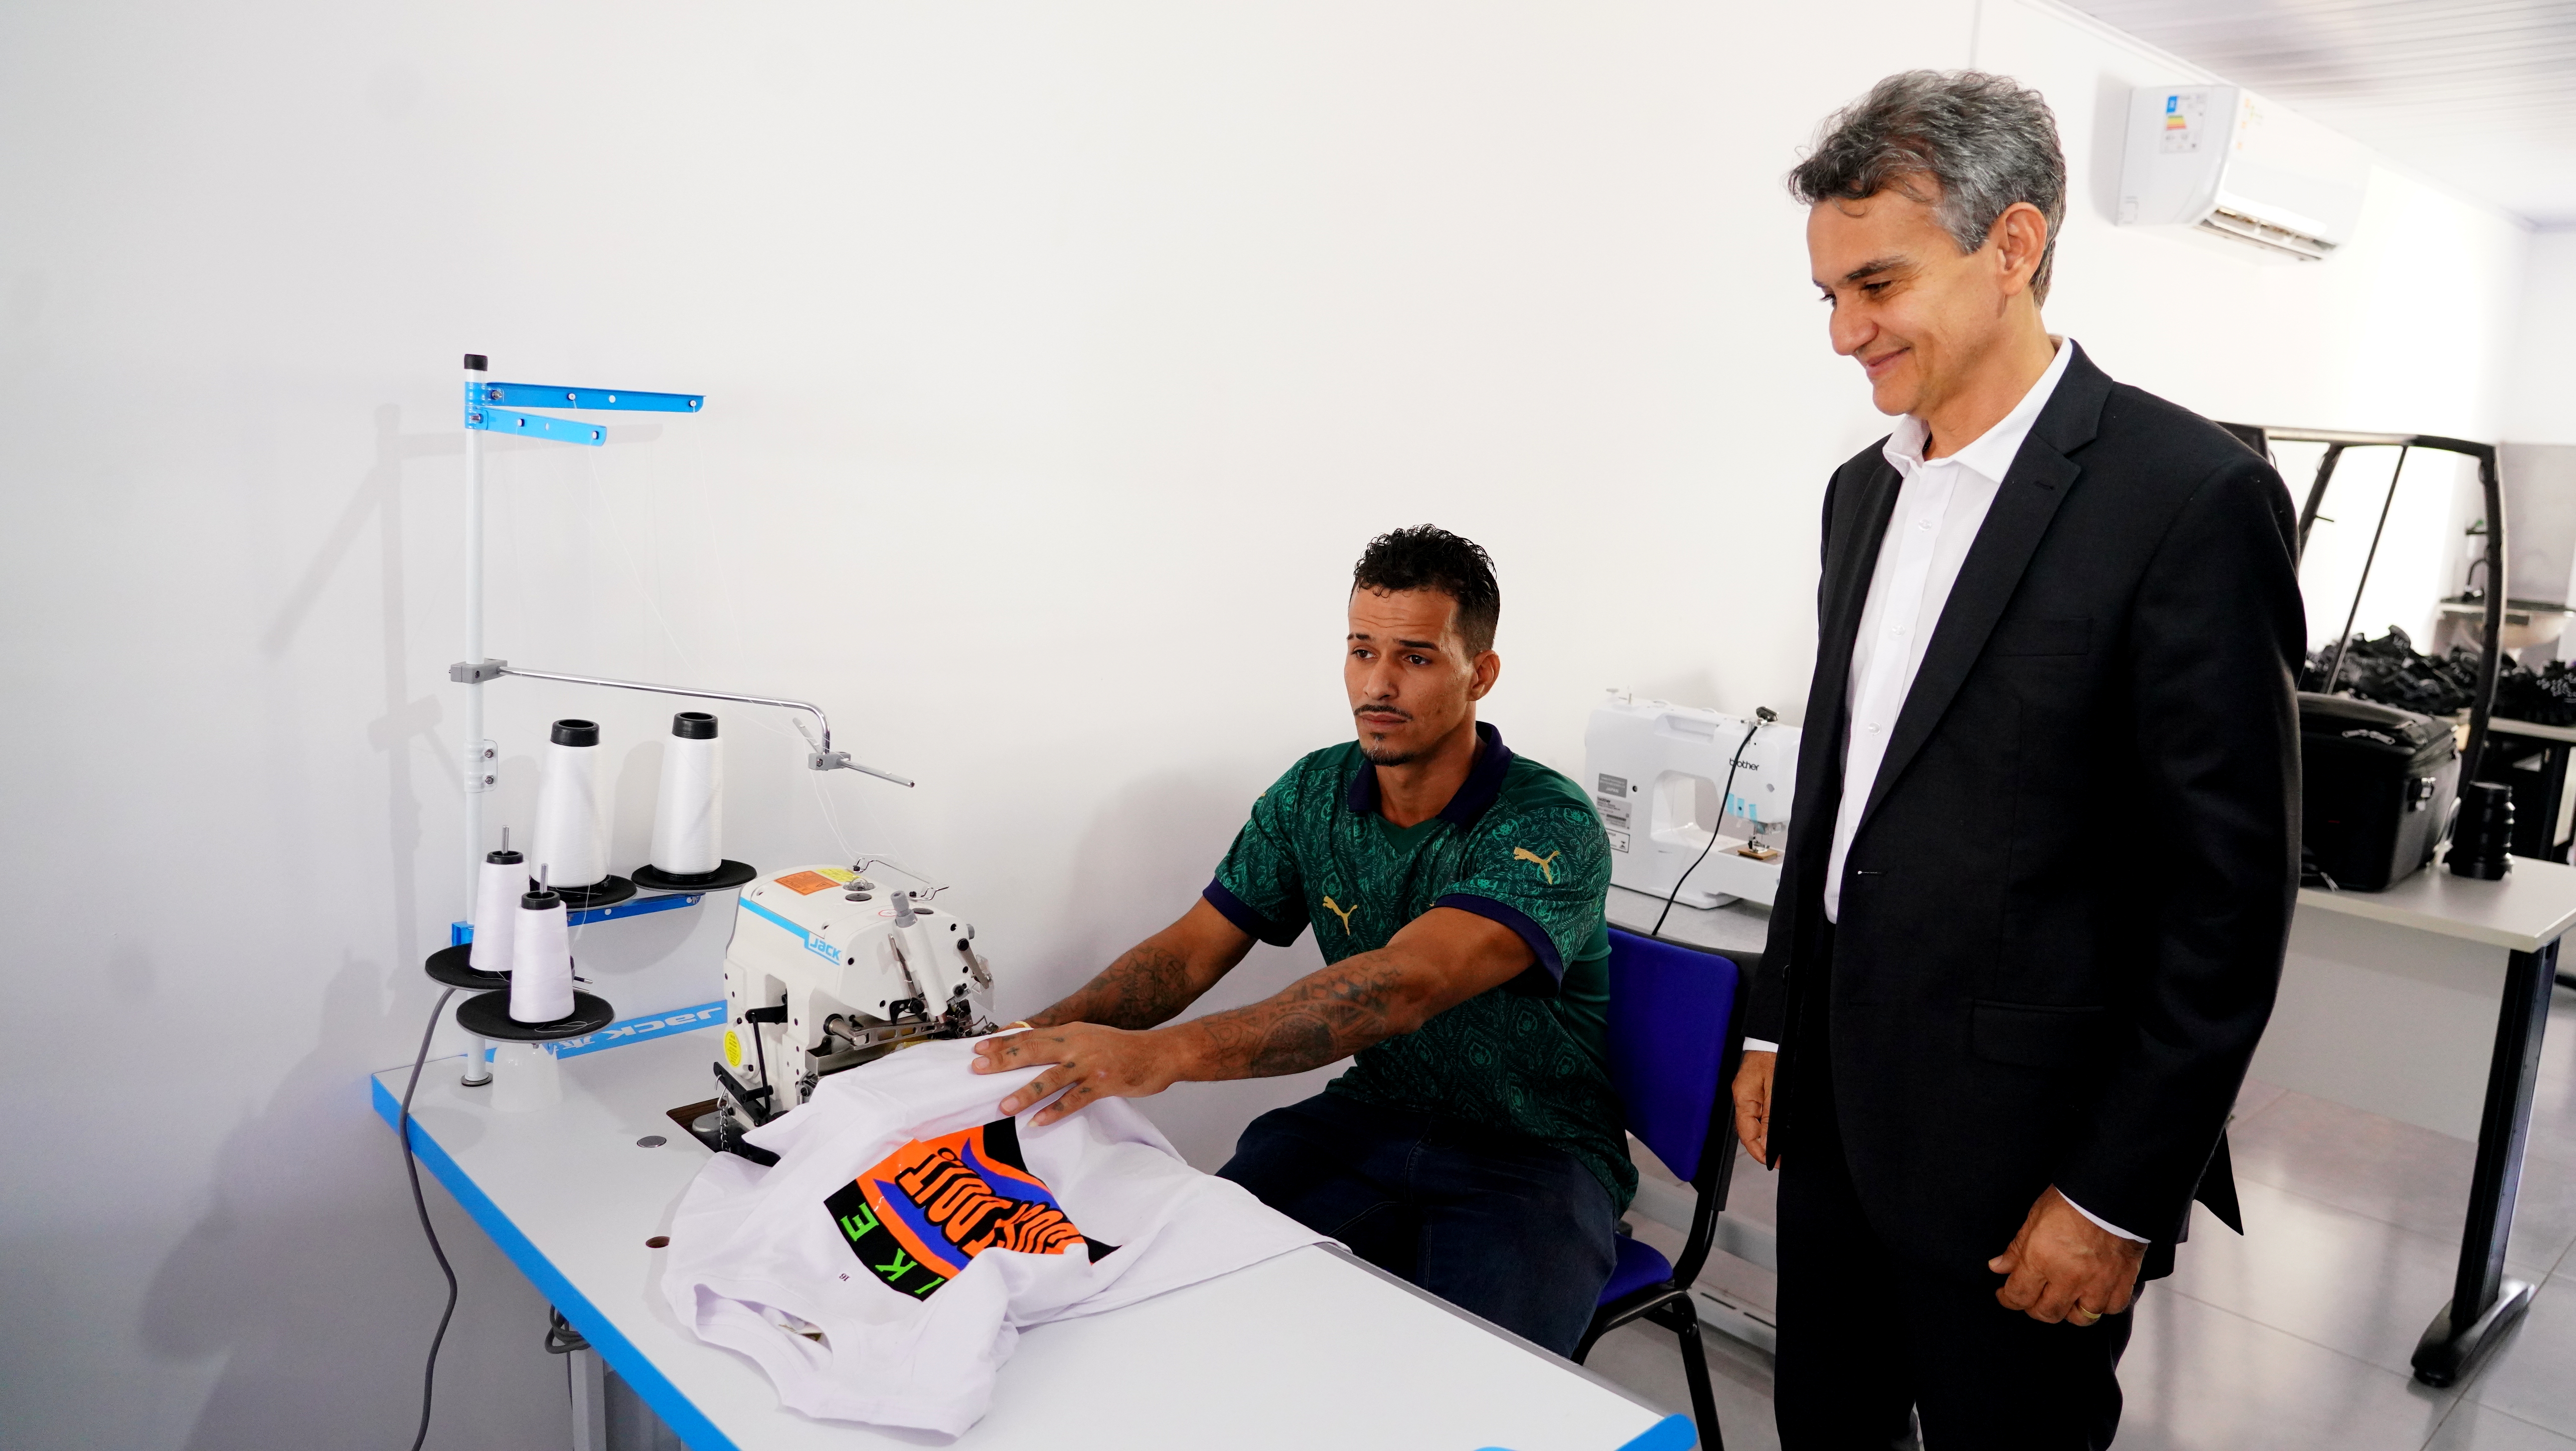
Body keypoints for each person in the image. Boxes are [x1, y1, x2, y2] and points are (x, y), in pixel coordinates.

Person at [1732, 71, 2303, 1448]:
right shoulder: (1861, 493)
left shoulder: (2186, 500)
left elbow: (2226, 902)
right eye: (1828, 297)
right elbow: (1841, 791)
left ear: (2014, 246)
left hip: (2029, 1165)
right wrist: (1772, 1022)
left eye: (1876, 284)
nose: (1845, 334)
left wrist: (2116, 1195)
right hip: (1837, 1122)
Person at [972, 525, 1629, 1356]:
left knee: (1479, 1393)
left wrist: (1163, 1056)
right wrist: (1026, 1039)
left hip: (1534, 1159)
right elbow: (1188, 952)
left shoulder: (1549, 825)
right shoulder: (1314, 792)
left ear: (1481, 674)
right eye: (1362, 651)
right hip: (1365, 1124)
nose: (1377, 685)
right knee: (1178, 1323)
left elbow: (1402, 986)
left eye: (1416, 658)